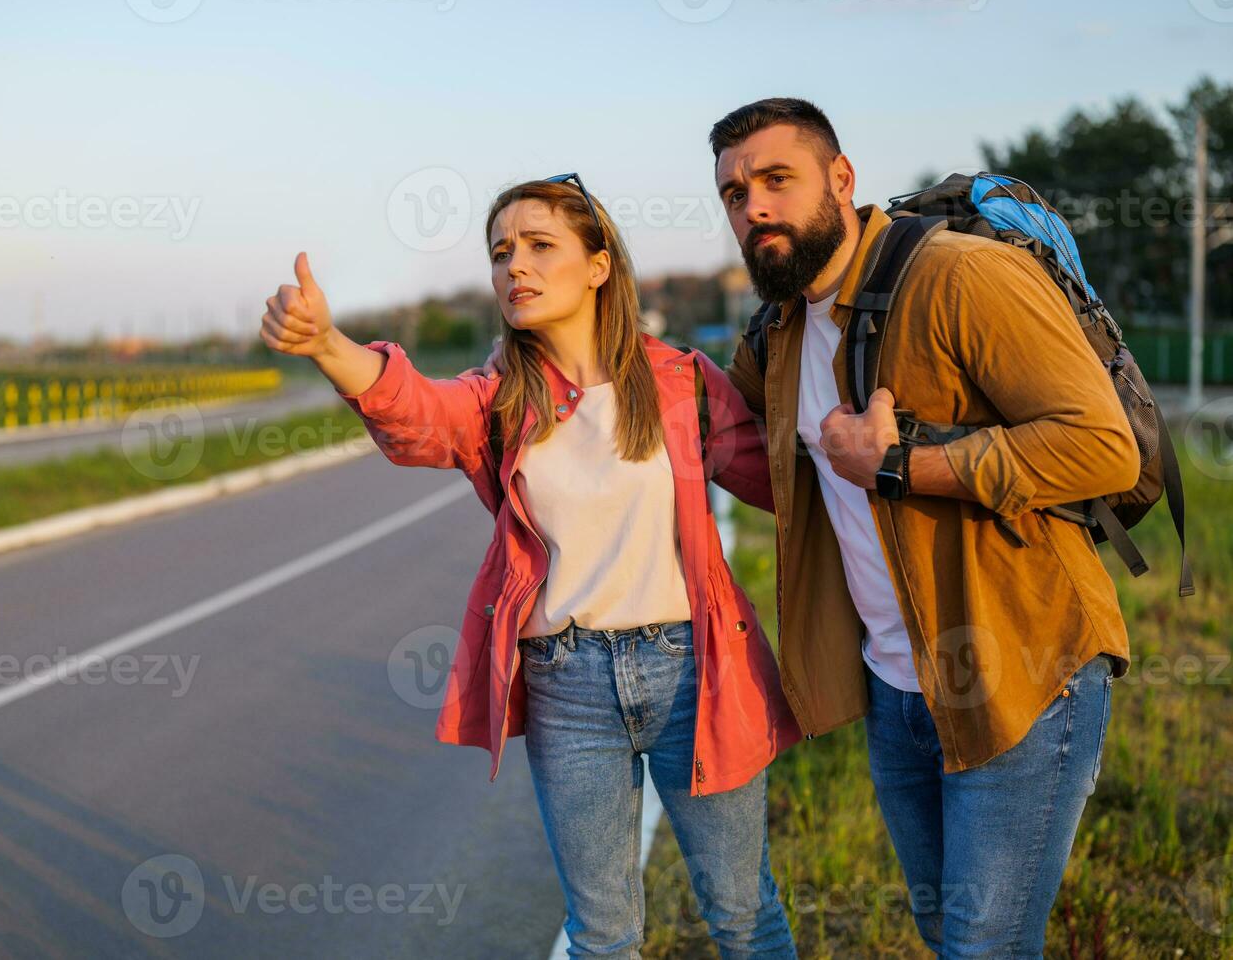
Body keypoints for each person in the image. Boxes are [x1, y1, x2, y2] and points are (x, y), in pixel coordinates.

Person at [260, 175, 801, 958]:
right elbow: (417, 416)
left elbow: (785, 485)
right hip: (566, 685)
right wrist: (328, 345)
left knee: (745, 915)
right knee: (604, 933)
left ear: (597, 265)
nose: (515, 265)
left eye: (541, 245)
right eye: (501, 251)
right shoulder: (501, 398)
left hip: (695, 670)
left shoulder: (682, 382)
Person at [711, 97, 1135, 957]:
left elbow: (1101, 448)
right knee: (947, 931)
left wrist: (902, 465)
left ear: (841, 180)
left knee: (984, 946)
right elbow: (725, 432)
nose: (753, 208)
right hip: (895, 691)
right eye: (732, 193)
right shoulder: (781, 329)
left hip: (1025, 667)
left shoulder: (960, 277)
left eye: (776, 180)